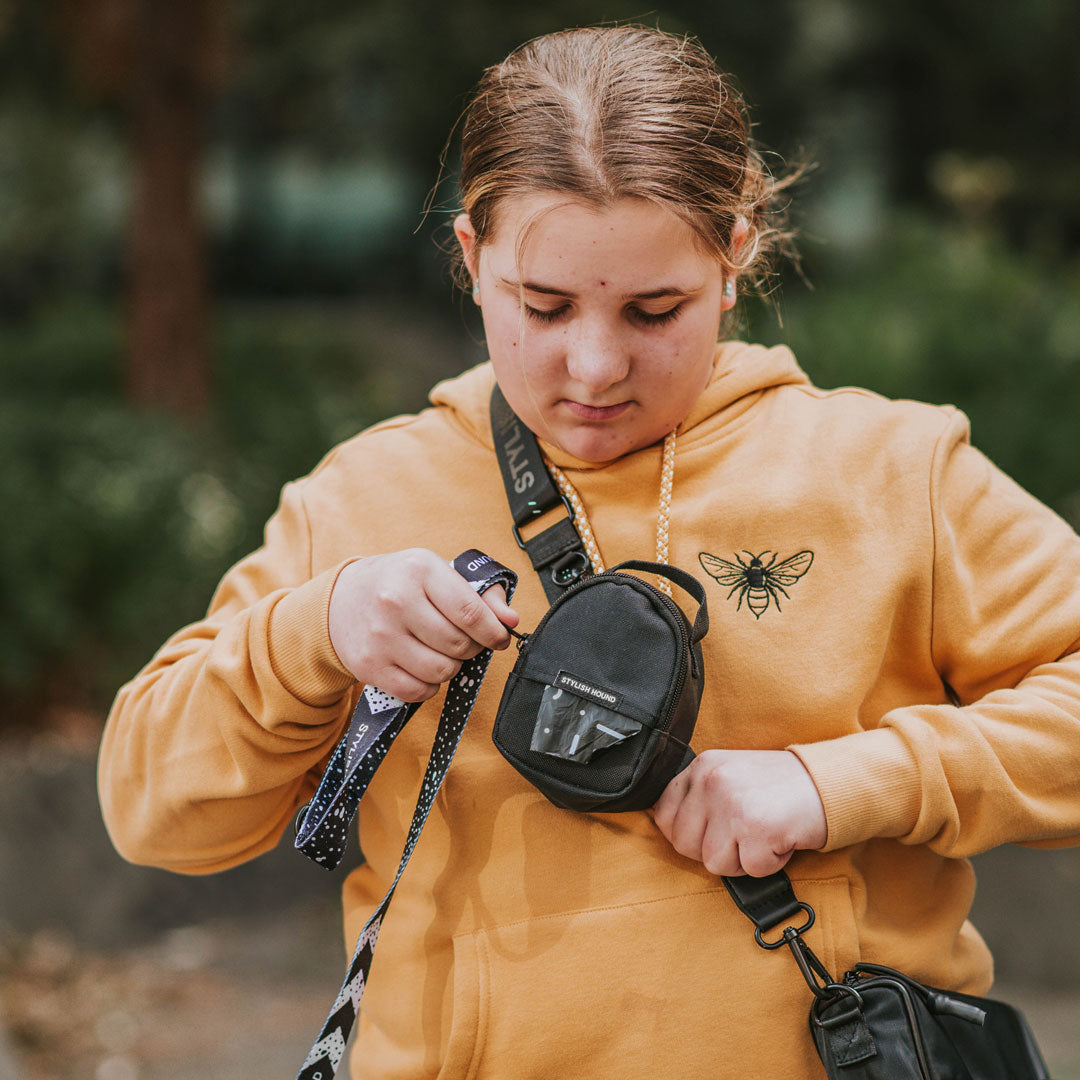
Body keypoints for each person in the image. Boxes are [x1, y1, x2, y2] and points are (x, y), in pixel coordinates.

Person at [98, 24, 1080, 1080]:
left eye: (655, 310)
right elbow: (155, 813)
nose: (596, 365)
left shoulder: (893, 471)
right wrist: (315, 632)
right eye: (545, 306)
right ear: (472, 259)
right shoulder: (364, 499)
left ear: (735, 250)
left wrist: (841, 782)